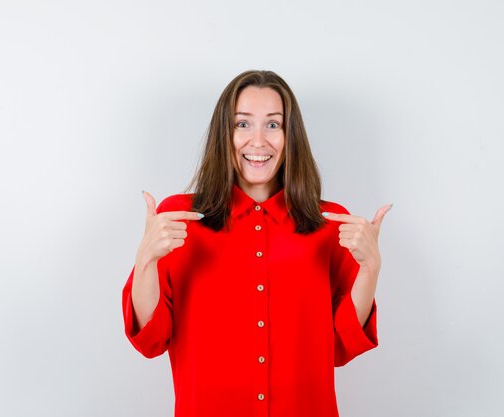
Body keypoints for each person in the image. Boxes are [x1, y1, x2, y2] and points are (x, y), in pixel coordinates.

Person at [121, 70, 391, 417]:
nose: (258, 140)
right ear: (225, 133)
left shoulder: (331, 223)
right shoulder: (178, 218)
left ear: (290, 135)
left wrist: (371, 269)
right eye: (243, 124)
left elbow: (341, 345)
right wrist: (145, 260)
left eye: (273, 125)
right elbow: (151, 339)